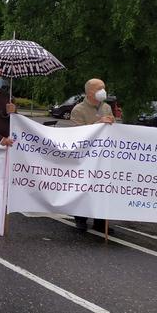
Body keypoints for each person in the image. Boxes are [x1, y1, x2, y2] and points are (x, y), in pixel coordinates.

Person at [70, 78, 115, 232]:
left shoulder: (107, 107)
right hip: (85, 156)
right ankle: (80, 218)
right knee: (83, 187)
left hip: (103, 156)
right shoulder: (78, 109)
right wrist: (98, 124)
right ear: (89, 92)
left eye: (104, 87)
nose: (103, 91)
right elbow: (77, 134)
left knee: (101, 188)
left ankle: (100, 221)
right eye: (99, 88)